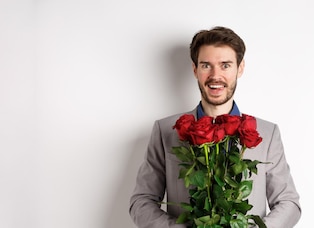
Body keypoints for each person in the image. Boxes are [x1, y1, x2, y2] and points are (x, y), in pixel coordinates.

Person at [129, 26, 301, 228]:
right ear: (195, 69)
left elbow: (288, 203)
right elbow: (141, 202)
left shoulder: (268, 133)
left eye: (225, 65)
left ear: (240, 68)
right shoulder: (165, 130)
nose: (215, 75)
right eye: (206, 65)